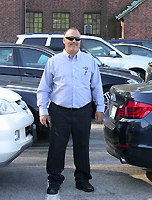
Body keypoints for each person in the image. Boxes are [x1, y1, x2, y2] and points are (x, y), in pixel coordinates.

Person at [37, 27, 105, 195]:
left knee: (82, 146)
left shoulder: (89, 61)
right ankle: (54, 181)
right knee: (57, 147)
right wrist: (43, 110)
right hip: (60, 110)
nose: (74, 41)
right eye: (70, 38)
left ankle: (82, 180)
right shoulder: (54, 62)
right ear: (64, 40)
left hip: (83, 110)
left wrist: (100, 108)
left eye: (77, 39)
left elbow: (96, 86)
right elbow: (44, 88)